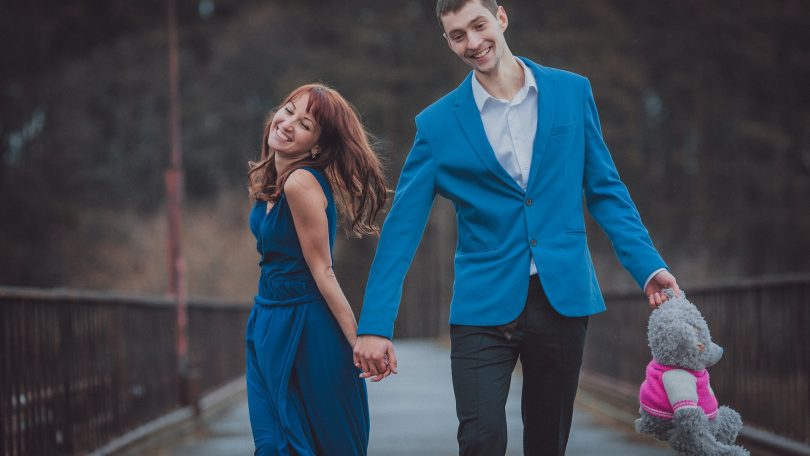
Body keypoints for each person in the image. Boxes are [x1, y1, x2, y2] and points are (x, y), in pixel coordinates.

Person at [352, 1, 682, 455]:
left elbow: (605, 190)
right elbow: (402, 230)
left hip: (561, 298)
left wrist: (648, 267)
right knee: (480, 437)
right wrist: (375, 325)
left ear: (501, 18)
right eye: (457, 35)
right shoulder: (437, 125)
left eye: (479, 25)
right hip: (482, 307)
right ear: (447, 41)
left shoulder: (571, 92)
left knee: (547, 442)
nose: (472, 43)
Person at [245, 83, 387, 455]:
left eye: (304, 124)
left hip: (306, 329)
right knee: (274, 442)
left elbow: (323, 270)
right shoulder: (271, 182)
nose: (288, 123)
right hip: (267, 321)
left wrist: (359, 341)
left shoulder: (300, 182)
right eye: (289, 110)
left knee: (319, 444)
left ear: (317, 145)